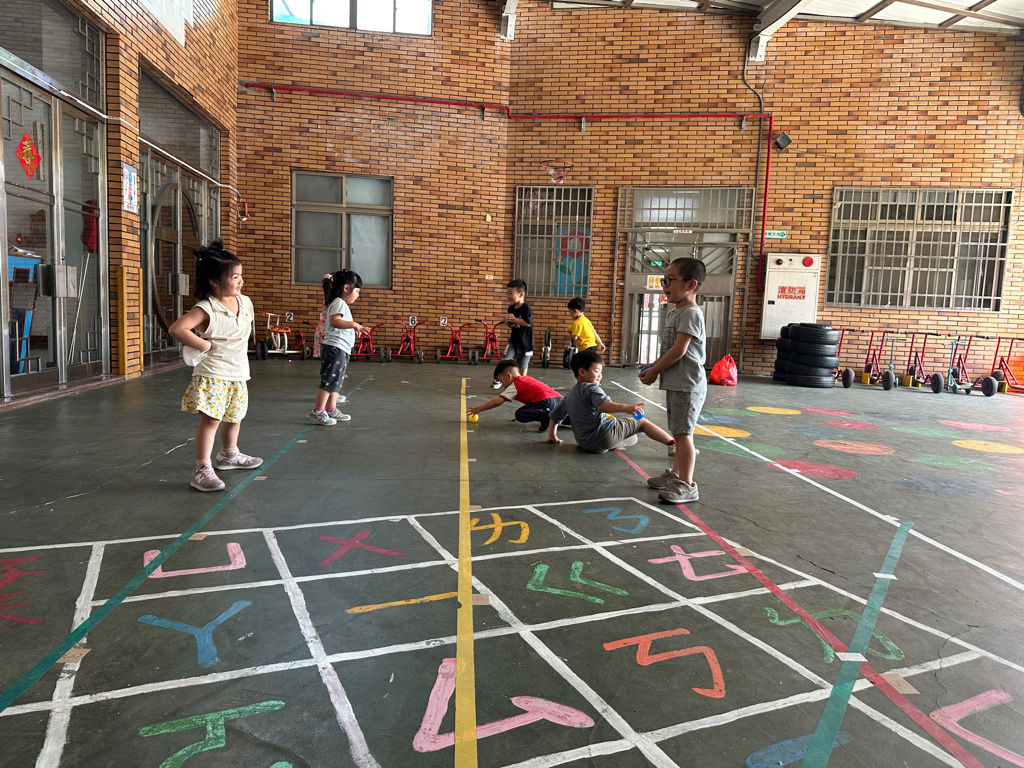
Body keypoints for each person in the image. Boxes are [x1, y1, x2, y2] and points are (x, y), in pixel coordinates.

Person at [169, 242, 263, 492]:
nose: (241, 281)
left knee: (235, 416)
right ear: (213, 280)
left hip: (238, 373)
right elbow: (177, 329)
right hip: (213, 374)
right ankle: (201, 469)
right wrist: (204, 345)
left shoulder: (245, 302)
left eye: (241, 275)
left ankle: (229, 455)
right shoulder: (207, 308)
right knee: (212, 420)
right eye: (235, 277)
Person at [638, 257, 708, 503]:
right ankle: (676, 475)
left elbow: (679, 351)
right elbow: (670, 350)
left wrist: (656, 371)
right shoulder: (676, 312)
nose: (665, 286)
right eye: (663, 280)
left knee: (684, 435)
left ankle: (687, 484)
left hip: (687, 384)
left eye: (670, 280)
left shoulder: (691, 313)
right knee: (678, 433)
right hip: (677, 383)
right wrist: (653, 366)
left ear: (691, 285)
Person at [547, 348, 675, 454]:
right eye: (596, 371)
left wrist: (552, 435)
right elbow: (603, 406)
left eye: (601, 372)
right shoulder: (592, 388)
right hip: (604, 436)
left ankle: (613, 442)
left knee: (633, 438)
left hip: (585, 444)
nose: (600, 375)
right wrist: (627, 408)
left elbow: (555, 416)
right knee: (642, 423)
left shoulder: (568, 396)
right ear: (582, 372)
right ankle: (673, 444)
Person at [309, 270, 366, 425]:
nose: (358, 295)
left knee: (336, 381)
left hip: (341, 349)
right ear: (346, 288)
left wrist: (353, 328)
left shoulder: (341, 304)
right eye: (357, 291)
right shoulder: (338, 303)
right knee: (329, 380)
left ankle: (331, 408)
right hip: (335, 348)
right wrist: (354, 324)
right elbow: (335, 321)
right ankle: (318, 411)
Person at [468, 359, 566, 431]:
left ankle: (545, 416)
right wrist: (530, 413)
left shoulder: (515, 384)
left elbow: (498, 401)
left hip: (545, 402)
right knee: (566, 419)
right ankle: (548, 415)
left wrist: (478, 409)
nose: (503, 385)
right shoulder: (526, 379)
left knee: (519, 415)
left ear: (508, 376)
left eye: (501, 381)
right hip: (559, 400)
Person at [491, 279, 533, 389]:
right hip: (514, 341)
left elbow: (528, 323)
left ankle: (522, 385)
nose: (508, 296)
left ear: (521, 294)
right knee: (505, 359)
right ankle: (498, 379)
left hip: (525, 343)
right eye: (507, 294)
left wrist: (515, 319)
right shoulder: (511, 308)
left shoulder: (526, 308)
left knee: (522, 366)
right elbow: (512, 325)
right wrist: (506, 321)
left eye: (511, 294)